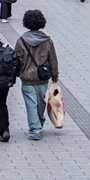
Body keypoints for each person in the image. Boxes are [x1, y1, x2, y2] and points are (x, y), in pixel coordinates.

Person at [15, 10, 59, 140]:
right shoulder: (48, 41)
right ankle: (38, 123)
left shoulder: (21, 41)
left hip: (27, 79)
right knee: (40, 102)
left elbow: (17, 60)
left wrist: (17, 74)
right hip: (42, 78)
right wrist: (55, 77)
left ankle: (35, 129)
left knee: (31, 104)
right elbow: (53, 61)